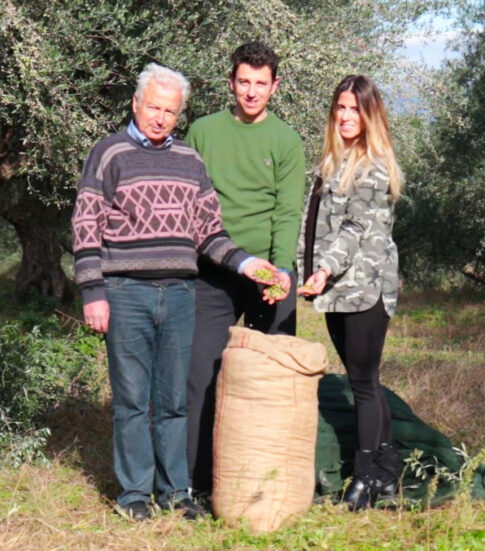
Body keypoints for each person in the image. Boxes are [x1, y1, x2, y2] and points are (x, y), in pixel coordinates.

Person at [72, 63, 279, 522]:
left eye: (170, 111)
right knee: (130, 400)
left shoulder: (189, 161)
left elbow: (209, 233)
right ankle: (134, 495)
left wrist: (248, 264)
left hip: (182, 293)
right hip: (125, 292)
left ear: (179, 114)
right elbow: (86, 227)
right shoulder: (108, 154)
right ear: (135, 104)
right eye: (154, 107)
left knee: (174, 402)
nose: (161, 118)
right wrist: (93, 293)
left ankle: (176, 492)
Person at [184, 41, 307, 498]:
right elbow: (191, 202)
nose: (251, 92)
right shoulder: (202, 131)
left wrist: (281, 270)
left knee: (274, 380)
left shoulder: (287, 140)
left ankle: (267, 483)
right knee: (199, 376)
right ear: (230, 83)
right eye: (244, 82)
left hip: (269, 278)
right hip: (213, 273)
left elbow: (287, 212)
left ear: (275, 86)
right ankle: (195, 485)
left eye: (261, 83)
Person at [296, 75, 404, 510]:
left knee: (363, 383)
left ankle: (364, 478)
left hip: (364, 290)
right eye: (340, 107)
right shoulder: (333, 162)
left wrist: (323, 269)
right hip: (337, 291)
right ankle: (386, 473)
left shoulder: (374, 167)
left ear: (369, 114)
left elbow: (357, 229)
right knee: (366, 382)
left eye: (354, 109)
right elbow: (314, 225)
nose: (345, 116)